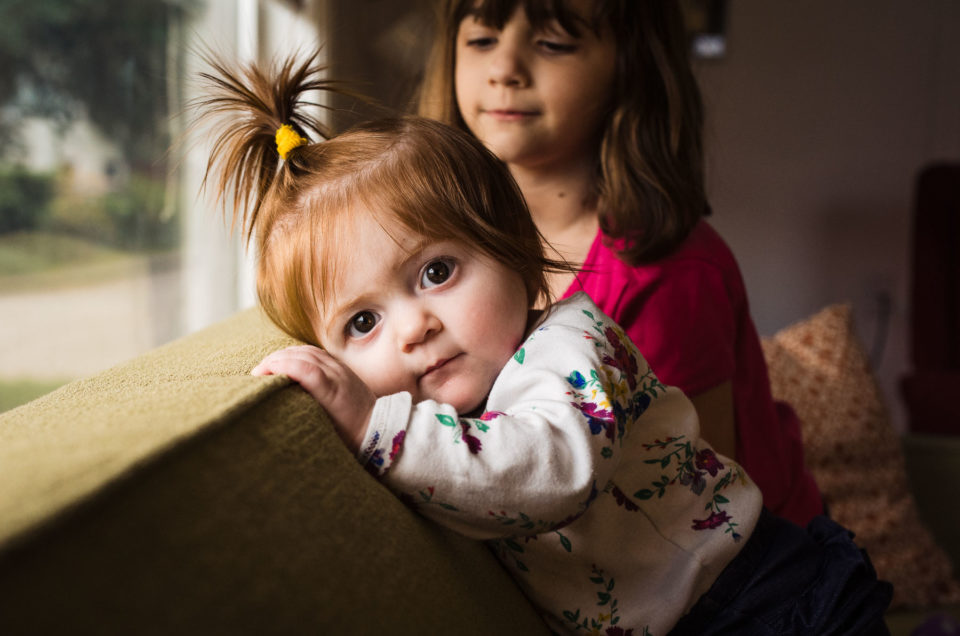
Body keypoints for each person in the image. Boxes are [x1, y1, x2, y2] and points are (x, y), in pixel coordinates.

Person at [194, 52, 891, 634]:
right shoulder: (450, 415)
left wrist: (376, 426)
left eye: (436, 272)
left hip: (767, 599)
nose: (414, 328)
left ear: (520, 259)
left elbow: (547, 471)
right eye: (363, 323)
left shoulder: (571, 349)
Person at [417, 0, 823, 527]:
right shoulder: (431, 245)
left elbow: (703, 515)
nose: (504, 70)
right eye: (481, 39)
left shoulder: (671, 275)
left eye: (554, 44)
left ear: (630, 67)